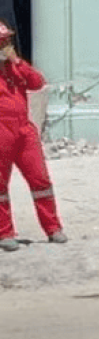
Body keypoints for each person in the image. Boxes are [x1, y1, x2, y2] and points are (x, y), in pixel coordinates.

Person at [0, 21, 65, 251]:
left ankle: (53, 228)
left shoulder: (15, 66)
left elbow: (37, 83)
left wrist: (18, 62)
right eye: (2, 42)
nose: (6, 46)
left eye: (7, 41)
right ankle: (5, 233)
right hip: (1, 131)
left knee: (41, 180)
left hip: (24, 130)